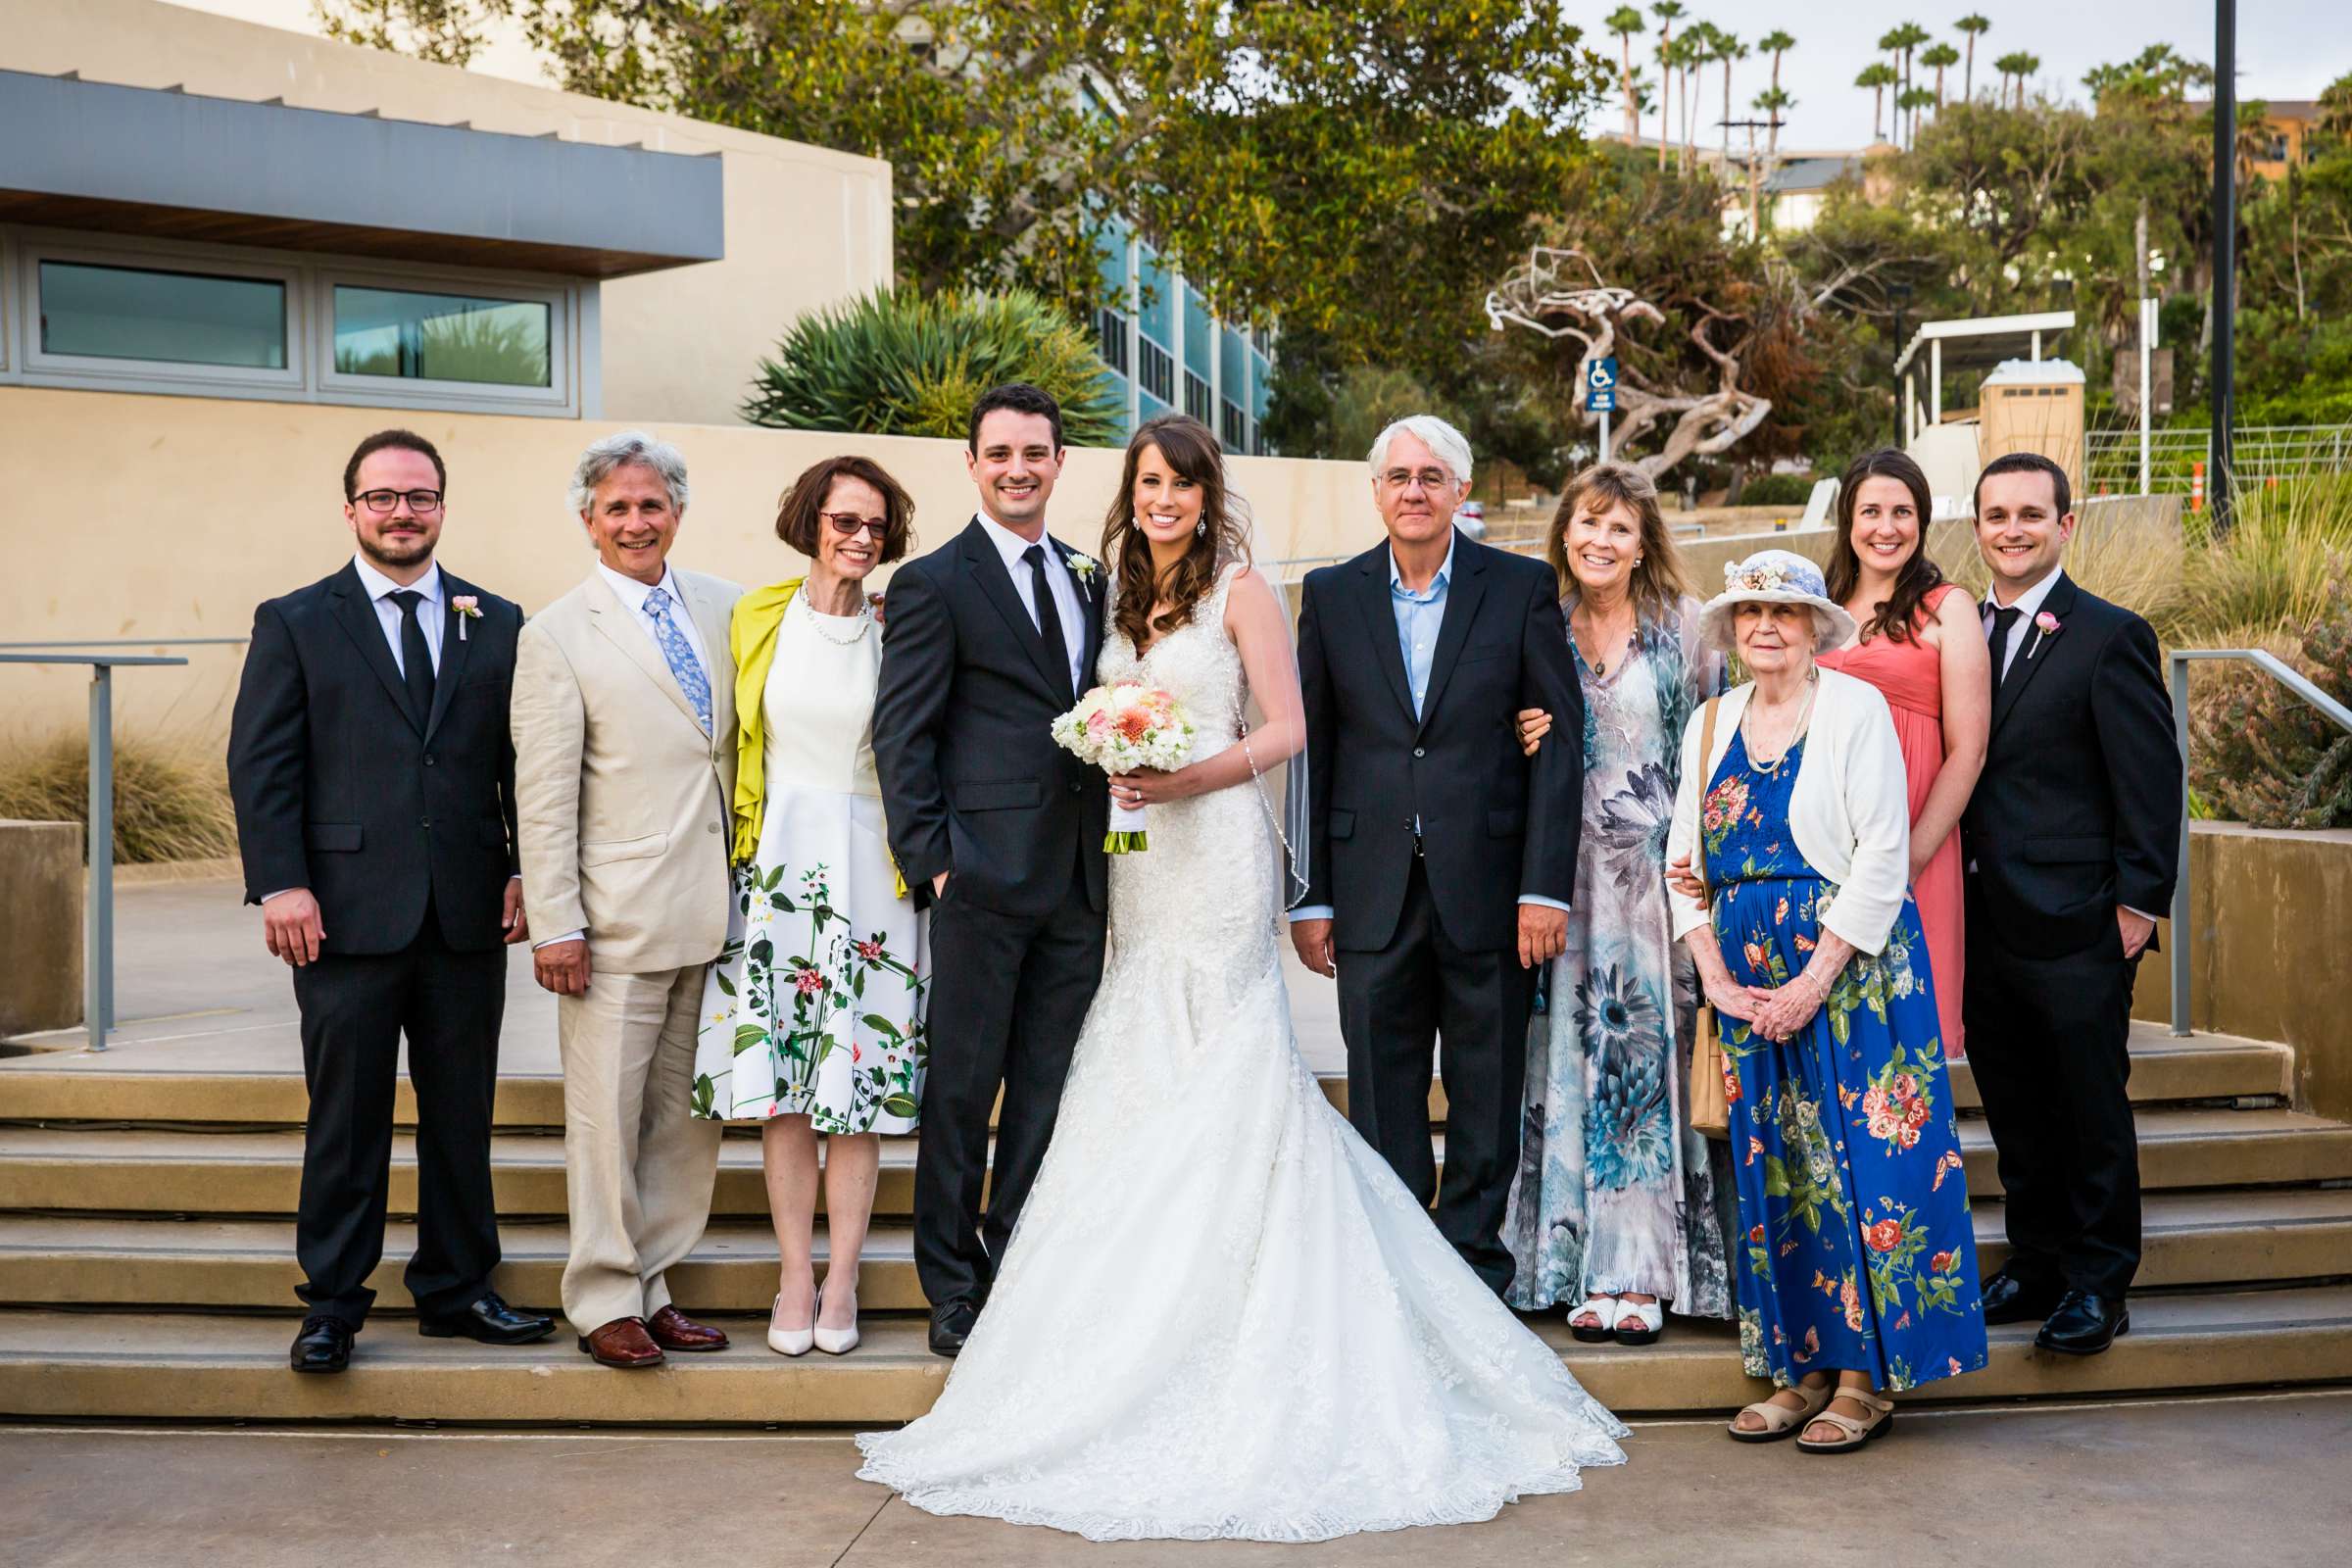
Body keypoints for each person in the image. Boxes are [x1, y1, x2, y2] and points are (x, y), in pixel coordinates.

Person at [855, 415, 1627, 1544]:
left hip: (1209, 849)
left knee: (1221, 1057)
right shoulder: (1108, 591)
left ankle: (1338, 1287)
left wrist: (1188, 779)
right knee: (1129, 1059)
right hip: (1127, 866)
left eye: (1184, 483)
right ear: (1129, 491)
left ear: (1212, 495)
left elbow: (1291, 726)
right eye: (1151, 482)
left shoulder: (1245, 591)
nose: (1165, 498)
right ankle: (1089, 1299)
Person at [228, 428, 554, 1373]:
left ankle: (458, 1288)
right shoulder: (295, 620)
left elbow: (518, 764)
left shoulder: (496, 621)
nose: (401, 511)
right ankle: (332, 1302)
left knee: (463, 1114)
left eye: (419, 497)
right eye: (383, 497)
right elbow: (262, 766)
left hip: (464, 914)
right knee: (348, 1118)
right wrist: (282, 881)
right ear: (351, 510)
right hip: (340, 914)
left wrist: (530, 866)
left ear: (442, 507)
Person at [1664, 549, 1986, 1452]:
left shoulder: (1856, 709)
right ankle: (1802, 1371)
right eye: (1750, 615)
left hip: (1851, 978)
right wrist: (1717, 979)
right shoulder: (1708, 722)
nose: (1766, 627)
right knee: (1782, 1174)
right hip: (1747, 979)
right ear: (1731, 632)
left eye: (1786, 614)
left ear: (1816, 630)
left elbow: (1885, 853)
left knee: (1860, 1171)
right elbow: (1681, 863)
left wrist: (1811, 983)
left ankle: (1864, 1381)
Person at [1287, 415, 1585, 1298]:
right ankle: (1399, 1269)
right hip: (1370, 886)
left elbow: (1559, 739)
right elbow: (1312, 750)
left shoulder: (1521, 586)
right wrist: (1310, 897)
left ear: (1461, 492)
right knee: (1382, 1087)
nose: (1413, 491)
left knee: (1487, 1084)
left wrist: (1544, 888)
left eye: (1431, 476)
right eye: (1397, 476)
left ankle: (1474, 1269)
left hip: (1491, 887)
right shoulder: (1332, 596)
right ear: (1376, 491)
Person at [870, 383, 1109, 1358]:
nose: (1019, 468)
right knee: (962, 1090)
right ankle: (952, 1285)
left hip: (1082, 881)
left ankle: (1016, 1262)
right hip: (978, 878)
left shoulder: (1090, 576)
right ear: (973, 465)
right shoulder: (935, 581)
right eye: (1001, 452)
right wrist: (933, 863)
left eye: (1036, 453)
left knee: (1047, 1090)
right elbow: (903, 731)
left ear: (1059, 464)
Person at [511, 431, 743, 1370]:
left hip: (717, 914)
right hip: (611, 920)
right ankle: (603, 1295)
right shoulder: (555, 634)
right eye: (618, 508)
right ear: (588, 522)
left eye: (652, 505)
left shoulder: (730, 609)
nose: (637, 522)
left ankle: (657, 1284)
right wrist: (557, 921)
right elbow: (545, 791)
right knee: (607, 1117)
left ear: (677, 514)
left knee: (689, 1118)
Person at [694, 455, 927, 1359]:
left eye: (874, 525)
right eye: (844, 521)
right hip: (779, 866)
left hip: (874, 872)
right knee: (785, 1092)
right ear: (811, 521)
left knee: (855, 1091)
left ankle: (844, 1277)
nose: (860, 538)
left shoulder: (901, 625)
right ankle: (795, 1272)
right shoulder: (756, 616)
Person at [1502, 462, 1735, 1346]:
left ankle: (1638, 1274)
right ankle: (1566, 1262)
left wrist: (1708, 879)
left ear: (1644, 546)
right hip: (1559, 884)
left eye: (1620, 530)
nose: (1600, 542)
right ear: (1565, 532)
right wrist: (1518, 730)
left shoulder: (1685, 632)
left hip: (1656, 888)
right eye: (1587, 525)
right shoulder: (1540, 624)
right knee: (1563, 1061)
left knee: (1642, 1075)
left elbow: (1717, 751)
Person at [1961, 453, 2181, 1355]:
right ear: (1976, 528)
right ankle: (2038, 1257)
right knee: (2014, 1104)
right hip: (1980, 921)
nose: (2012, 529)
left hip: (2080, 920)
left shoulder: (2108, 634)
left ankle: (2099, 1280)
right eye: (1996, 515)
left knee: (2088, 1108)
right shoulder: (1962, 632)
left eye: (2030, 514)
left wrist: (2139, 902)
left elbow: (2151, 776)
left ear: (2066, 524)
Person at [1815, 449, 1989, 1059]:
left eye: (1902, 512)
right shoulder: (1820, 606)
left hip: (1915, 846)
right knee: (1832, 1040)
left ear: (1921, 522)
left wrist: (1906, 861)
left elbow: (1967, 751)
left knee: (1907, 1050)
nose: (1886, 527)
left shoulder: (1948, 607)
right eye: (1871, 511)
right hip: (1824, 848)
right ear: (1848, 520)